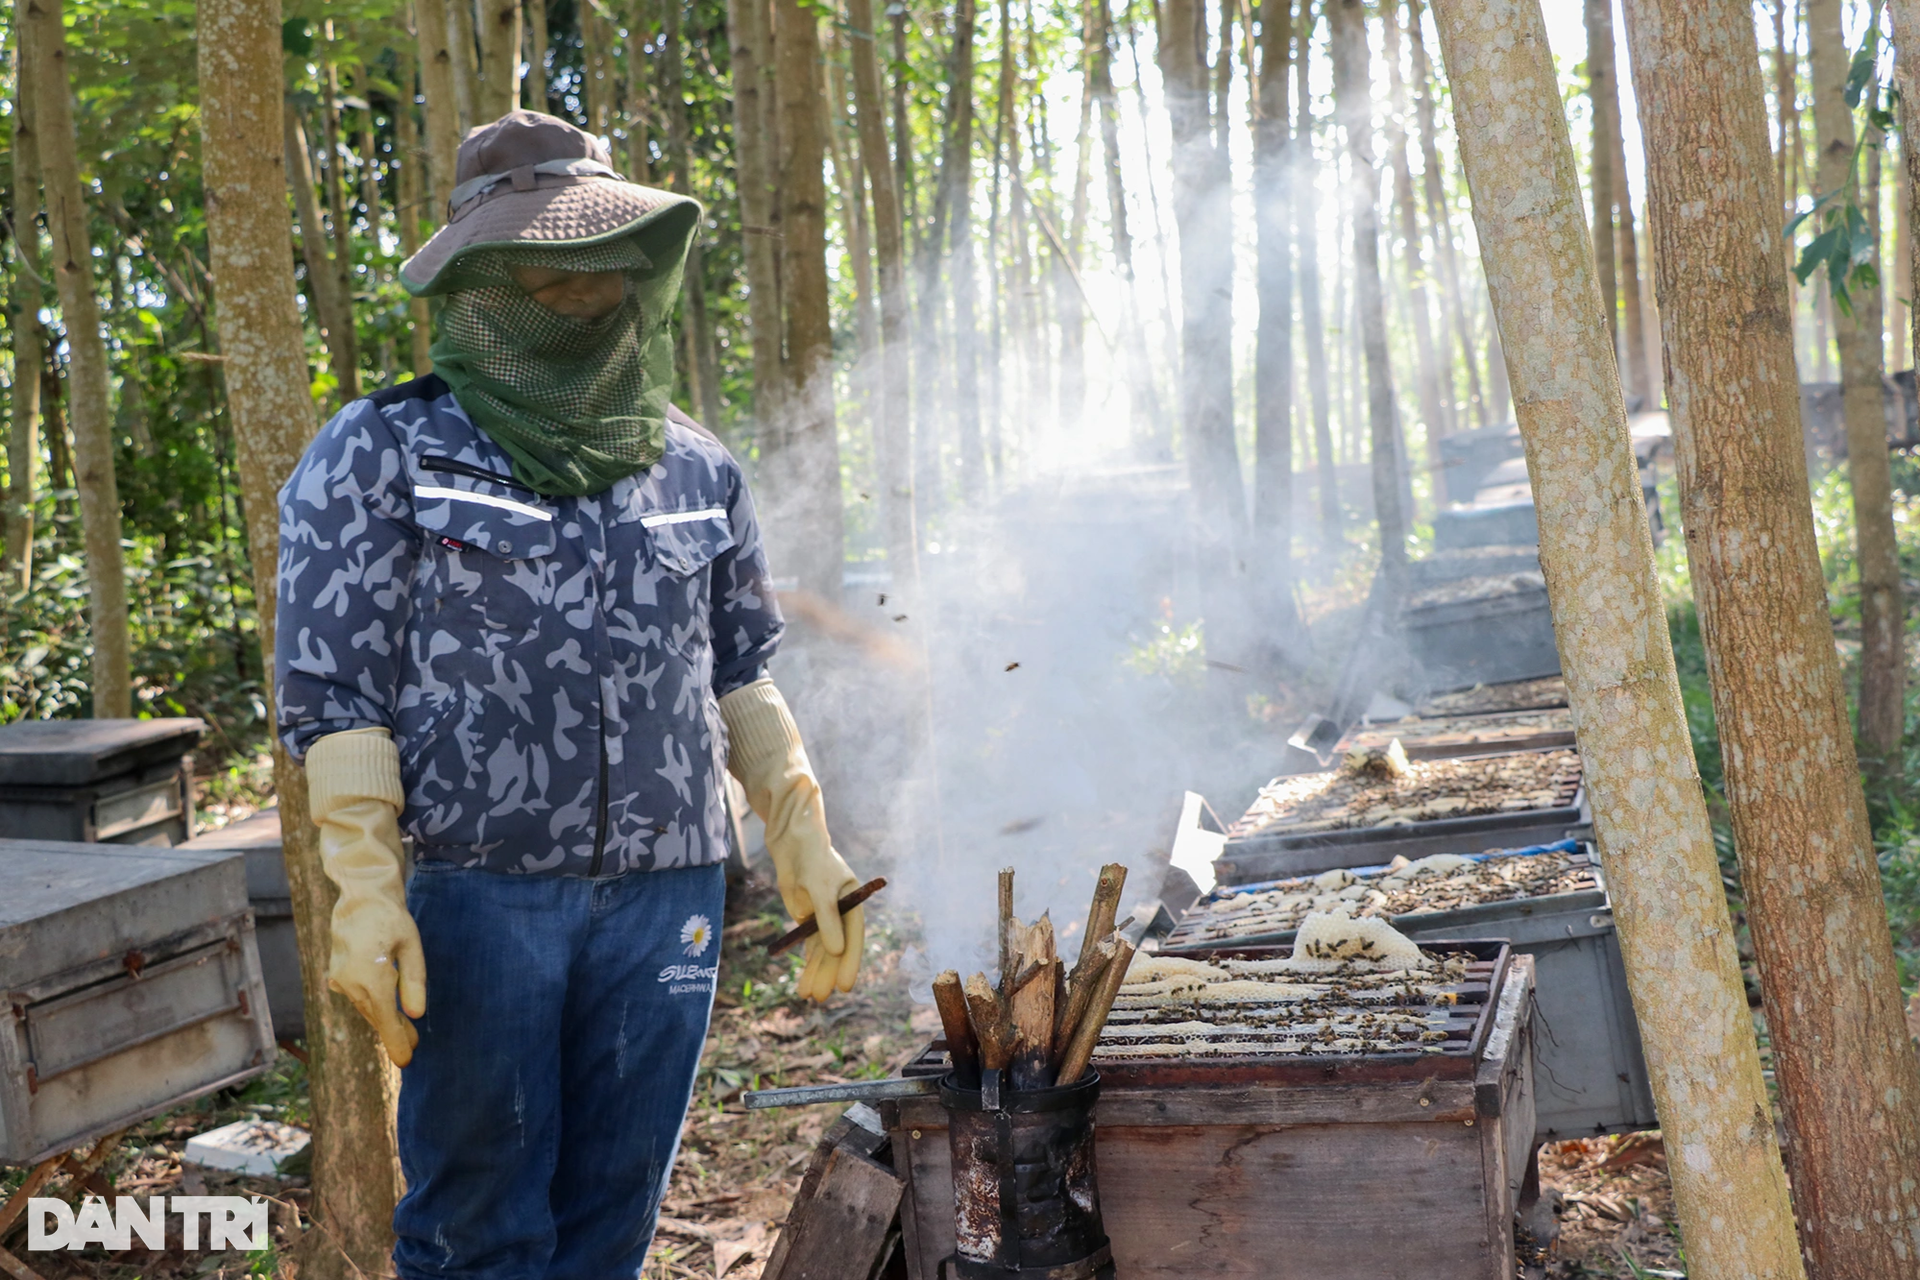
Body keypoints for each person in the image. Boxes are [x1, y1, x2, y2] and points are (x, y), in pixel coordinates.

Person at [274, 110, 866, 1280]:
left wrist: (802, 828)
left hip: (671, 894)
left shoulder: (697, 463)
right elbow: (334, 686)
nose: (579, 284)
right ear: (482, 276)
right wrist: (363, 885)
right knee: (480, 1226)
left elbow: (740, 663)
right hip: (477, 894)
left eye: (598, 260)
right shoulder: (383, 448)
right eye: (543, 262)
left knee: (613, 1218)